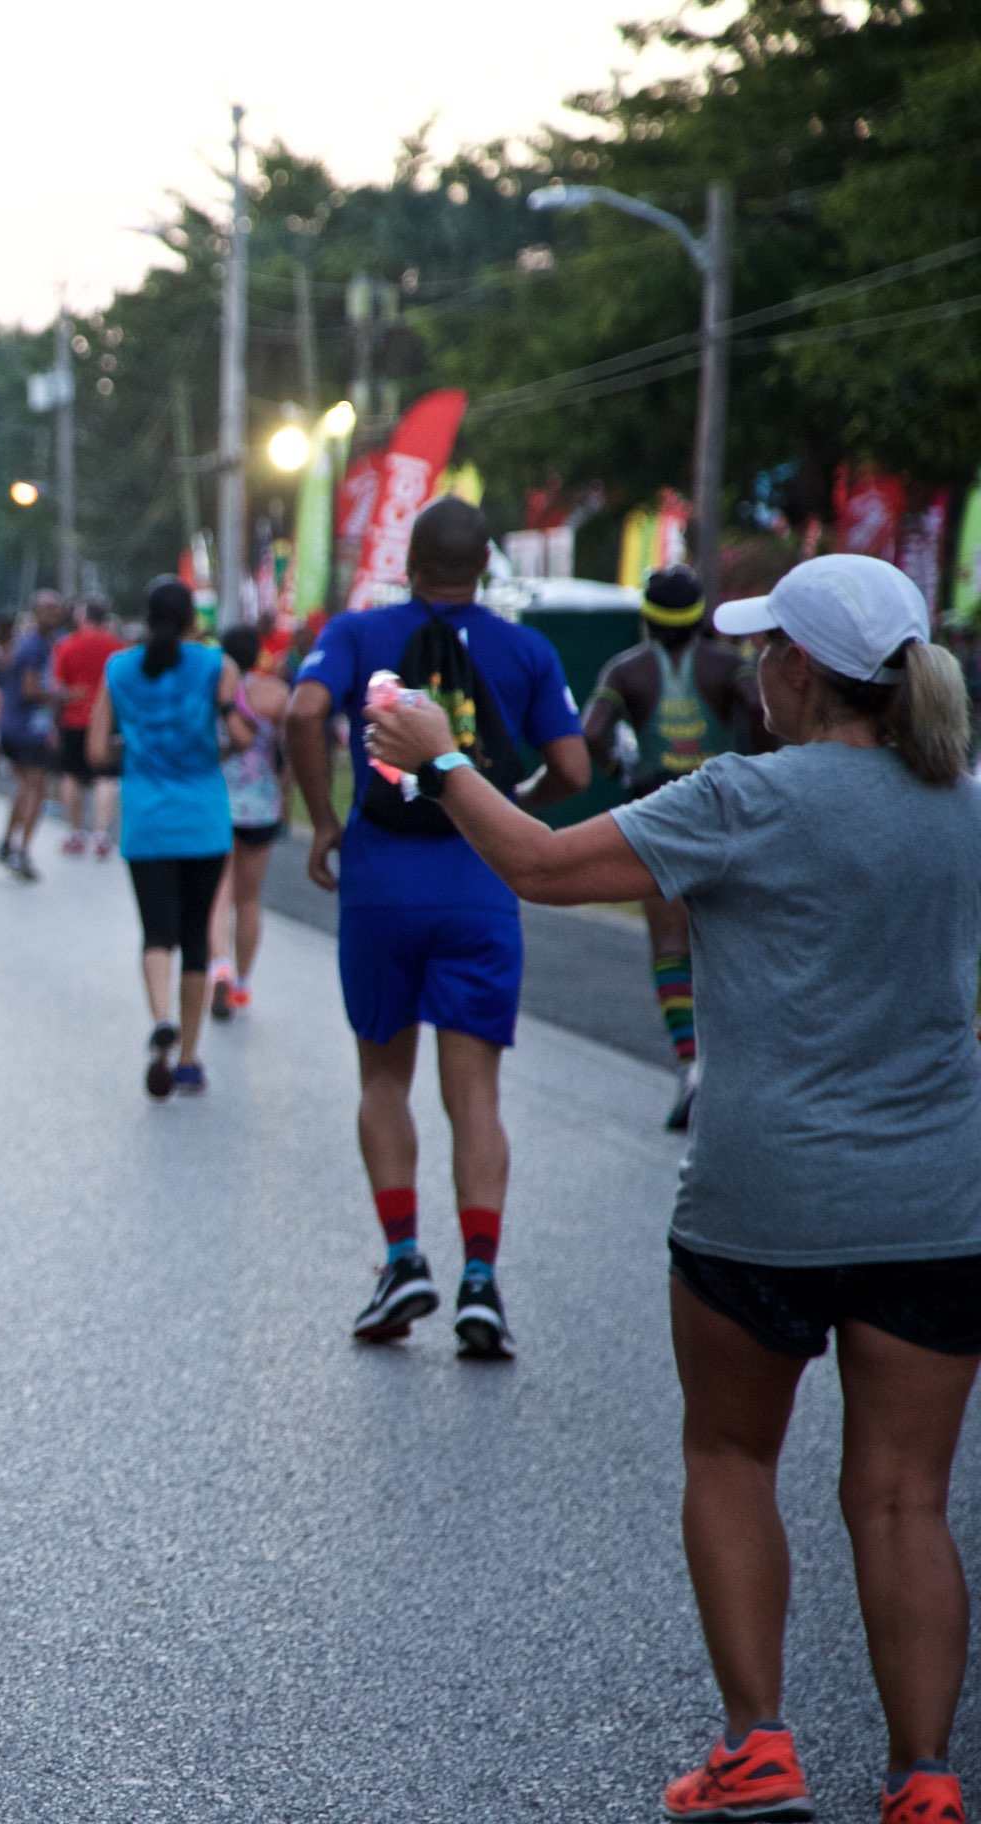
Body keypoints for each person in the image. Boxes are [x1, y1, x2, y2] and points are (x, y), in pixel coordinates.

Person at [364, 553, 981, 1824]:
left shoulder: (741, 799)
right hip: (935, 1200)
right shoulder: (964, 805)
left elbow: (535, 864)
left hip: (763, 1194)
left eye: (765, 648)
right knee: (907, 1497)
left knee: (731, 1451)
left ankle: (759, 1747)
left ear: (802, 672)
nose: (750, 664)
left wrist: (435, 755)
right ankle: (924, 1781)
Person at [287, 498, 589, 1358]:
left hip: (381, 885)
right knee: (477, 1096)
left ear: (408, 561)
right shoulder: (525, 649)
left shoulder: (354, 632)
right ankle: (482, 1283)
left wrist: (323, 819)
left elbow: (304, 713)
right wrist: (506, 808)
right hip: (477, 886)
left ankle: (401, 1257)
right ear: (485, 564)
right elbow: (572, 765)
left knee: (383, 1079)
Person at [582, 564, 770, 1131]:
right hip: (724, 810)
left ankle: (690, 1066)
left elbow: (591, 732)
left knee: (669, 943)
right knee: (737, 944)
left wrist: (622, 771)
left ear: (648, 615)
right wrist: (761, 771)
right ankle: (736, 1069)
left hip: (658, 811)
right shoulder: (729, 665)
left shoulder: (625, 669)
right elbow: (765, 713)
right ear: (699, 613)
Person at [88, 580, 239, 1098]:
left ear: (147, 617)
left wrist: (134, 753)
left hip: (147, 818)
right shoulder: (214, 665)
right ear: (191, 618)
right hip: (203, 817)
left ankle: (161, 1018)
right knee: (197, 938)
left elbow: (94, 752)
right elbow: (238, 734)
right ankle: (191, 1058)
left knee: (157, 933)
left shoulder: (118, 670)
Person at [208, 624, 289, 1020]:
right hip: (262, 804)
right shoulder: (275, 692)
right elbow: (287, 754)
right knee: (249, 899)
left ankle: (218, 965)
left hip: (217, 800)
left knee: (218, 894)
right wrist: (287, 803)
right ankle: (242, 984)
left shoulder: (212, 688)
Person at [0, 590, 67, 880]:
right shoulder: (35, 646)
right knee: (35, 789)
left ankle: (6, 842)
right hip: (28, 729)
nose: (53, 614)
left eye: (56, 609)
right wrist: (62, 696)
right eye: (47, 609)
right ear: (36, 612)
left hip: (15, 727)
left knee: (24, 786)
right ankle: (21, 851)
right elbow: (30, 689)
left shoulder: (27, 643)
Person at [52, 600, 124, 859]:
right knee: (106, 776)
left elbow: (58, 686)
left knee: (71, 775)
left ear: (83, 618)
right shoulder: (116, 646)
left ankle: (75, 832)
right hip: (107, 721)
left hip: (74, 719)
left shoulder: (67, 645)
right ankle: (101, 834)